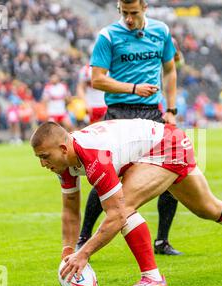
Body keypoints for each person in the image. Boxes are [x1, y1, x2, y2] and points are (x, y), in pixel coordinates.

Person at [30, 120, 222, 286]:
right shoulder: (64, 163)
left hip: (165, 146)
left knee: (123, 207)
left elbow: (117, 215)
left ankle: (152, 278)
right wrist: (67, 251)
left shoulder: (94, 155)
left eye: (45, 157)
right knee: (207, 208)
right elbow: (70, 209)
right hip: (164, 141)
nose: (43, 164)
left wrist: (83, 253)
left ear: (63, 148)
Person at [77, 0, 182, 255]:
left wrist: (171, 109)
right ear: (118, 10)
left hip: (152, 114)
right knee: (105, 176)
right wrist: (133, 88)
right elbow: (97, 80)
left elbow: (169, 70)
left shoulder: (161, 31)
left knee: (172, 172)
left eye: (134, 13)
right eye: (124, 14)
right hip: (119, 114)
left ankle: (162, 241)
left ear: (145, 7)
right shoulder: (108, 36)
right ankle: (83, 237)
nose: (129, 19)